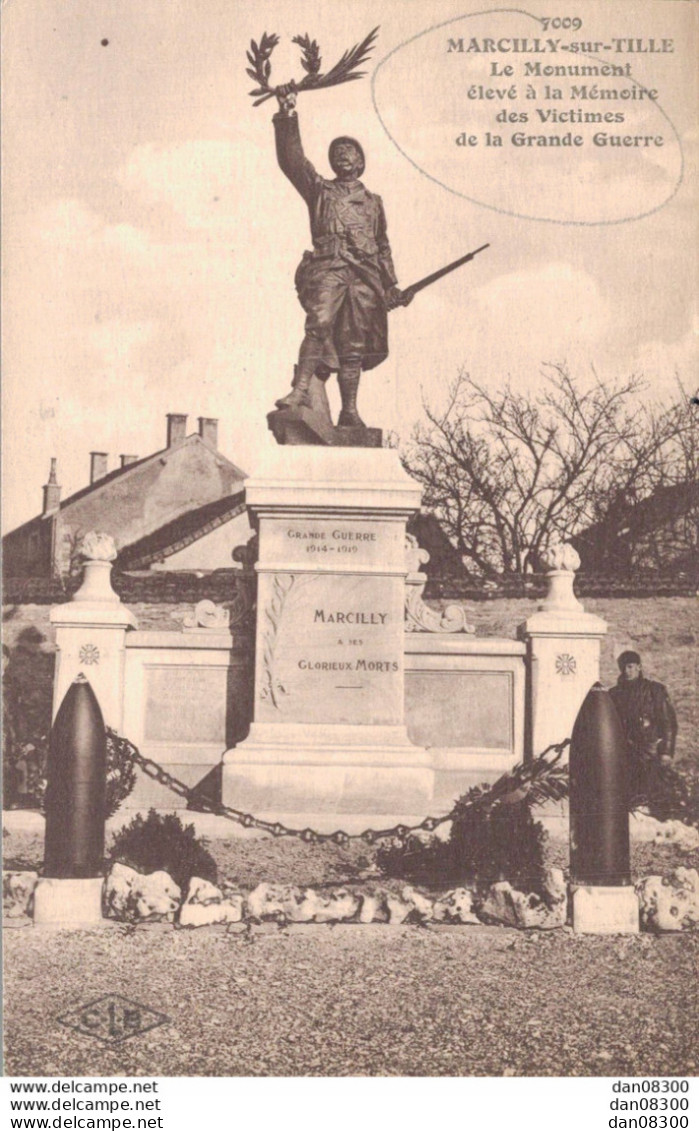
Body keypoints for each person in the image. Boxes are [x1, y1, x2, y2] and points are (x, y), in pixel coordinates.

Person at [271, 82, 410, 427]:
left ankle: (349, 410)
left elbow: (383, 245)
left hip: (364, 275)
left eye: (349, 151)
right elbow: (292, 161)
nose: (342, 155)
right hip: (329, 266)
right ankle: (301, 390)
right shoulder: (320, 191)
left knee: (353, 343)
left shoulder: (374, 202)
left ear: (361, 162)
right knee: (317, 325)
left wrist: (391, 285)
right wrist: (288, 112)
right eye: (337, 151)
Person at [609, 650, 678, 792]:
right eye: (623, 667)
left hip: (649, 751)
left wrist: (666, 752)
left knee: (652, 792)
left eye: (630, 666)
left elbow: (668, 723)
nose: (627, 671)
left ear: (639, 667)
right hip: (625, 752)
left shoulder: (655, 691)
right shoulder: (614, 694)